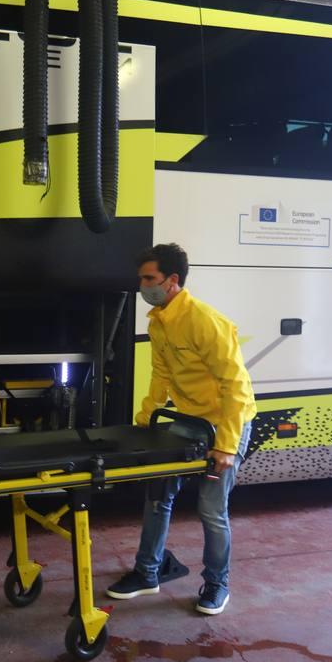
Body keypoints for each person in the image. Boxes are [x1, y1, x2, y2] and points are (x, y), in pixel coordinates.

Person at [106, 243, 256, 616]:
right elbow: (162, 374)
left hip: (223, 424)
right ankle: (147, 573)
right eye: (141, 278)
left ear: (172, 280)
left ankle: (218, 583)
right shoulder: (158, 320)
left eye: (150, 279)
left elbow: (235, 387)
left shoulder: (206, 321)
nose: (143, 286)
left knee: (210, 509)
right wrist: (145, 419)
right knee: (158, 497)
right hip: (187, 422)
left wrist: (225, 445)